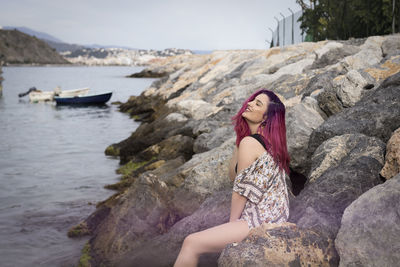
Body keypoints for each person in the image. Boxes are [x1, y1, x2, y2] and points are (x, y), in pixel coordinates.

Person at [174, 89, 291, 267]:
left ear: (266, 118)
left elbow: (239, 192)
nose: (250, 103)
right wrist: (240, 137)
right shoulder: (258, 142)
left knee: (191, 243)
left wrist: (231, 227)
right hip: (272, 217)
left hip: (260, 220)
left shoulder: (251, 143)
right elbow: (233, 176)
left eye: (258, 103)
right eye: (252, 100)